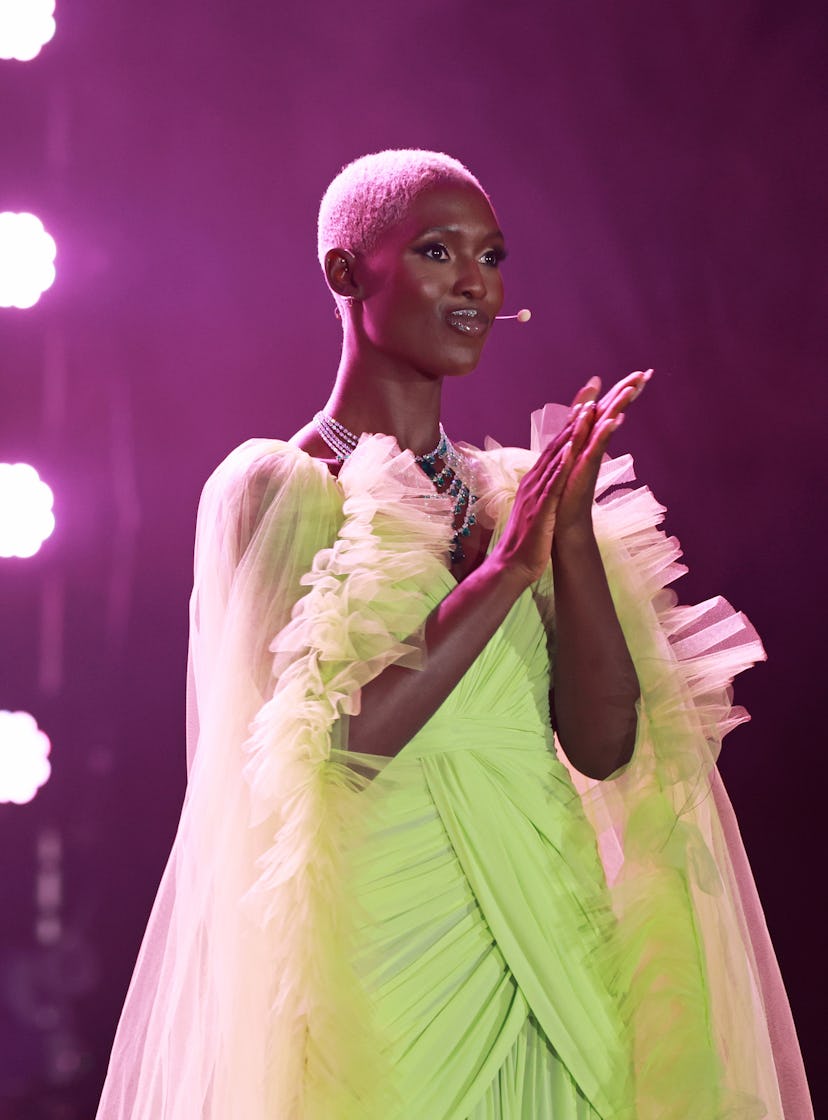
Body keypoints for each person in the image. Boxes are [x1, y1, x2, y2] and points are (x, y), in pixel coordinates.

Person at [97, 150, 812, 1119]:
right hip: (386, 956)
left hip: (556, 934)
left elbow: (604, 747)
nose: (477, 282)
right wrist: (503, 572)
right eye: (438, 251)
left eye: (492, 255)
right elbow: (334, 746)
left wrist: (564, 541)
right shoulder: (276, 486)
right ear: (348, 273)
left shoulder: (519, 494)